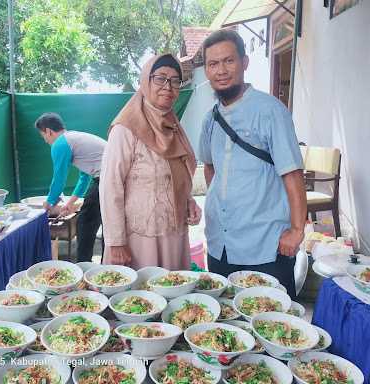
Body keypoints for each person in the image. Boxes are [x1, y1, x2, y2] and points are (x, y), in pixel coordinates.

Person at [198, 29, 306, 299]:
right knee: (225, 327)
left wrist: (296, 230)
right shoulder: (210, 119)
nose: (221, 70)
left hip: (265, 245)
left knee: (272, 324)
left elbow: (292, 174)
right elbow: (210, 167)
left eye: (228, 61)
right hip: (220, 244)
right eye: (213, 64)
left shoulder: (270, 111)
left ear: (244, 63)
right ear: (207, 71)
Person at [99, 53, 202, 270]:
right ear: (146, 80)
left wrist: (188, 200)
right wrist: (116, 242)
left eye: (176, 81)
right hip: (139, 239)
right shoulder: (125, 129)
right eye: (160, 78)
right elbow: (110, 186)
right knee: (142, 297)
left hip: (173, 234)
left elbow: (172, 174)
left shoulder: (173, 127)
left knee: (172, 294)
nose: (168, 86)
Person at [35, 112, 106, 262]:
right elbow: (84, 178)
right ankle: (106, 262)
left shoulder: (60, 143)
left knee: (85, 221)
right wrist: (69, 204)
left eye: (44, 137)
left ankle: (83, 264)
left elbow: (59, 178)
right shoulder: (74, 140)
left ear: (48, 131)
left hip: (107, 177)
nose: (46, 141)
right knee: (103, 221)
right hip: (109, 177)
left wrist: (49, 203)